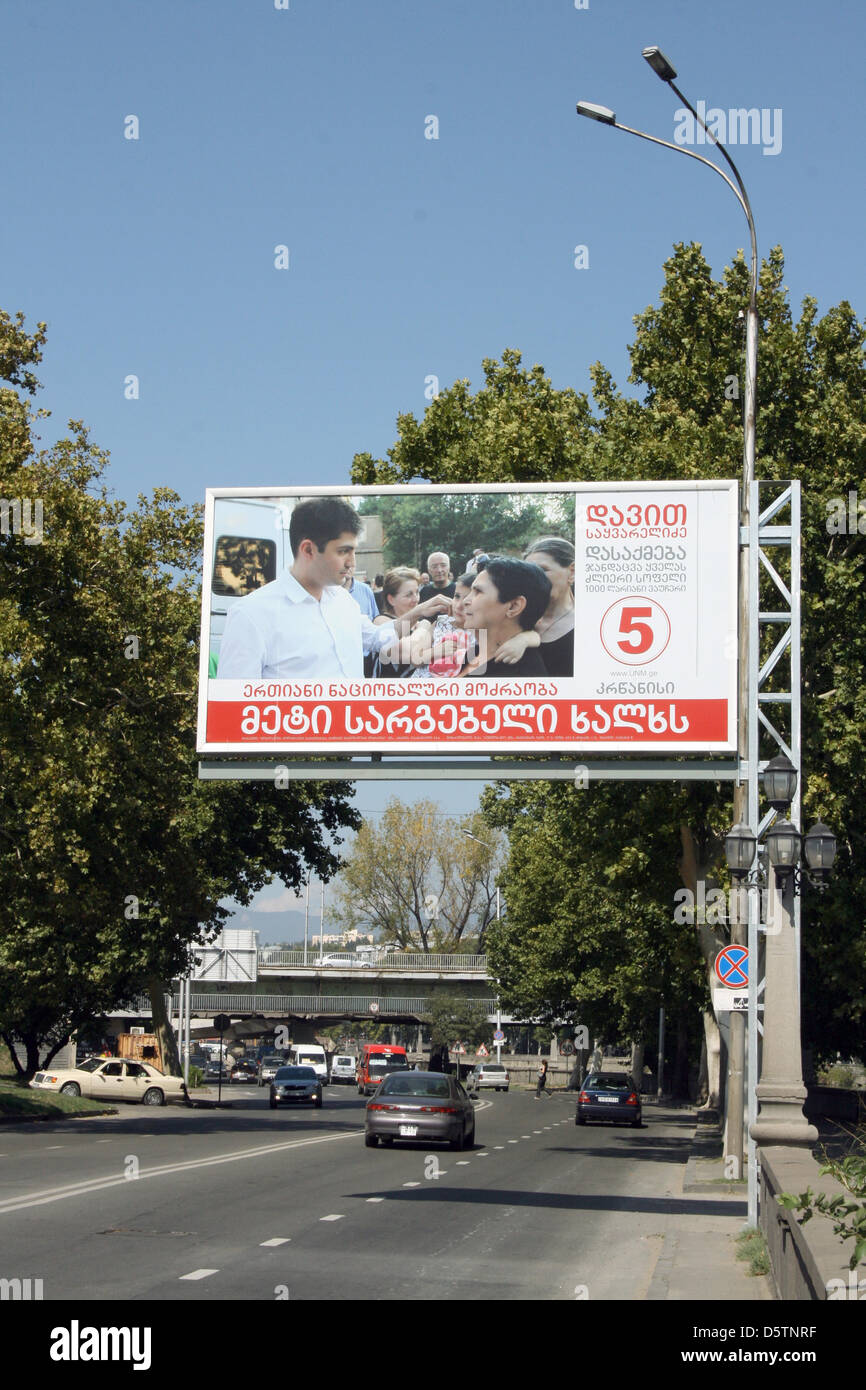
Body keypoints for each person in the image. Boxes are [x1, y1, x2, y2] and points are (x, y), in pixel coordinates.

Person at [216, 496, 399, 680]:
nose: (351, 563)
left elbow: (376, 637)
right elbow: (234, 702)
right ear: (308, 550)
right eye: (343, 551)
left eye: (353, 551)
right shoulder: (251, 615)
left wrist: (421, 622)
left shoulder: (344, 601)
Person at [459, 557, 551, 679]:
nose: (465, 601)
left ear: (514, 607)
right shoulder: (474, 652)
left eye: (478, 592)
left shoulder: (521, 679)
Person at [522, 537, 575, 677]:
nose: (533, 579)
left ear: (572, 572)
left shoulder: (593, 625)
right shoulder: (516, 617)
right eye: (528, 572)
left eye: (542, 570)